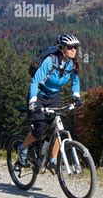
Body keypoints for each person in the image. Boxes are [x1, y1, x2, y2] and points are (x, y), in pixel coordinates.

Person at [17, 34, 83, 170]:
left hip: (54, 97)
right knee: (39, 129)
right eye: (69, 47)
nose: (73, 50)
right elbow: (34, 81)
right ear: (62, 48)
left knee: (58, 127)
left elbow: (75, 81)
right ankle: (23, 148)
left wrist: (76, 96)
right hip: (39, 95)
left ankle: (52, 161)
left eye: (75, 47)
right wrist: (33, 101)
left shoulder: (72, 64)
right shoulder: (50, 61)